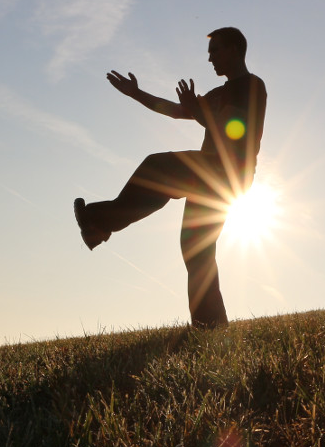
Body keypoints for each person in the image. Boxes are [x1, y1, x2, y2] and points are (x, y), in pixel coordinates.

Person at [74, 27, 267, 329]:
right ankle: (211, 327)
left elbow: (231, 129)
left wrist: (197, 111)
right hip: (212, 178)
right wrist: (137, 94)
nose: (210, 58)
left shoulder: (251, 86)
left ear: (233, 49)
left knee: (157, 167)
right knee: (196, 249)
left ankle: (99, 221)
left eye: (214, 50)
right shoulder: (219, 93)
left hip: (226, 172)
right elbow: (176, 111)